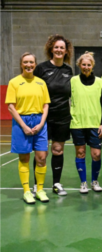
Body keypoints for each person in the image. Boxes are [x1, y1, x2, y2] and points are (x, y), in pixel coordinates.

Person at [5, 52, 50, 204]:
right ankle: (26, 191)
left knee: (42, 157)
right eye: (26, 62)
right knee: (24, 157)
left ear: (35, 64)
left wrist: (42, 123)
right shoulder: (14, 82)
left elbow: (46, 105)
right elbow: (11, 107)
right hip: (21, 121)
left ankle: (40, 190)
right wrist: (24, 126)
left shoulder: (41, 83)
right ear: (21, 64)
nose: (29, 65)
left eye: (31, 62)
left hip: (39, 121)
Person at [32, 34, 73, 196]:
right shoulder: (41, 68)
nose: (59, 50)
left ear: (66, 51)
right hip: (43, 117)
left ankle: (56, 183)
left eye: (62, 47)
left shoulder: (68, 70)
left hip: (62, 116)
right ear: (51, 49)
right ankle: (37, 186)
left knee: (58, 150)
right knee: (41, 153)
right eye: (56, 47)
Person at [70, 52, 102, 194]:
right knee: (80, 153)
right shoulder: (73, 81)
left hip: (95, 124)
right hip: (77, 123)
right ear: (79, 65)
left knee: (96, 154)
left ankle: (94, 181)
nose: (86, 67)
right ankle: (83, 183)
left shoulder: (100, 82)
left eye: (89, 64)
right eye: (83, 64)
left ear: (93, 66)